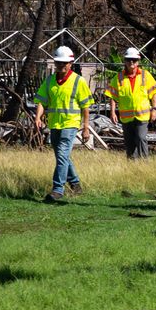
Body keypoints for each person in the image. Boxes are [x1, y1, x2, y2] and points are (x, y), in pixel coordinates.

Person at [33, 46, 92, 203]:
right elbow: (41, 101)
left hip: (70, 124)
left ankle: (58, 189)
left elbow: (86, 107)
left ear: (70, 63)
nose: (61, 65)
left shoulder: (79, 81)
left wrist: (86, 127)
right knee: (63, 156)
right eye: (58, 62)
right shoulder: (49, 81)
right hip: (55, 124)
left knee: (62, 154)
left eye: (64, 63)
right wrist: (38, 117)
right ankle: (75, 184)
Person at [110, 46, 156, 160]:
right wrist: (112, 112)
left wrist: (154, 110)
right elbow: (112, 96)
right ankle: (132, 163)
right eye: (129, 59)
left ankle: (145, 162)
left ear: (138, 61)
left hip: (142, 115)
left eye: (134, 60)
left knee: (141, 138)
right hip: (126, 117)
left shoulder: (146, 75)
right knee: (129, 141)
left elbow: (154, 93)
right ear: (125, 61)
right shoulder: (118, 77)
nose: (131, 62)